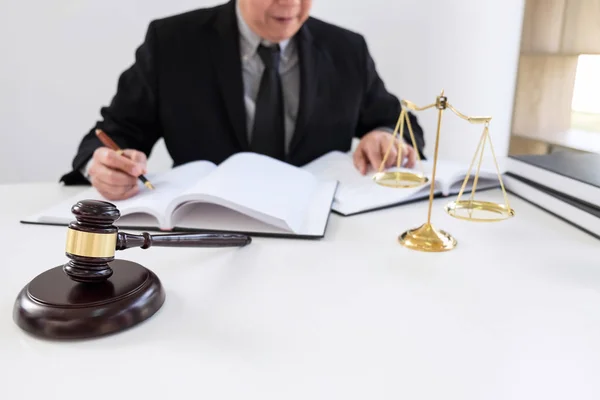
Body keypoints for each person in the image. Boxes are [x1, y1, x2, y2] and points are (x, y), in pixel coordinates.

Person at [60, 0, 426, 200]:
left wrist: (385, 135)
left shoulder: (347, 49)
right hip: (204, 235)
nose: (290, 4)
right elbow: (113, 133)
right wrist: (102, 165)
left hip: (322, 242)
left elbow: (403, 127)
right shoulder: (172, 43)